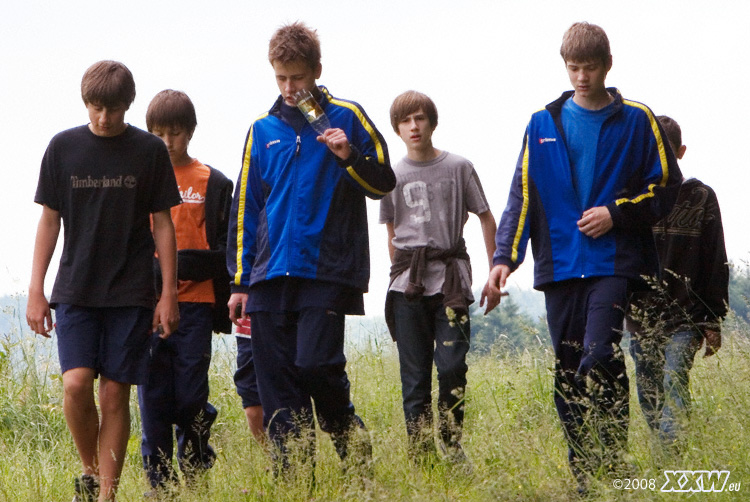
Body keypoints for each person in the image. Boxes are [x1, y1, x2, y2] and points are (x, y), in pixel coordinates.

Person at [484, 22, 681, 489]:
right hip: (560, 266)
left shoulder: (637, 119)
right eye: (573, 68)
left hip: (614, 262)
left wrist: (616, 213)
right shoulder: (541, 123)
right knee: (569, 370)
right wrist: (502, 260)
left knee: (599, 353)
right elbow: (522, 197)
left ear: (606, 66)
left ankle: (614, 457)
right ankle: (586, 473)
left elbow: (667, 187)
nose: (581, 77)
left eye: (589, 68)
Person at [226, 22, 395, 473]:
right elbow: (246, 207)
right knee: (278, 389)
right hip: (267, 277)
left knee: (317, 365)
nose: (288, 87)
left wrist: (348, 156)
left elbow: (383, 183)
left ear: (316, 71)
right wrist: (241, 281)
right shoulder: (261, 130)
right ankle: (296, 483)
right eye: (281, 77)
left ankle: (351, 442)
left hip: (326, 270)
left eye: (297, 77)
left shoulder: (348, 116)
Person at [26, 61, 181, 502]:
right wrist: (37, 289)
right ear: (86, 104)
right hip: (76, 288)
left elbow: (163, 224)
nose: (103, 118)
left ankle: (106, 496)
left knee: (115, 393)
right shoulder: (63, 148)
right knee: (76, 384)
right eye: (95, 108)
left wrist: (168, 294)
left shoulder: (149, 150)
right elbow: (49, 219)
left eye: (112, 109)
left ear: (127, 105)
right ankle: (90, 473)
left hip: (131, 291)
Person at [380, 90, 496, 463]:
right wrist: (397, 276)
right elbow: (391, 231)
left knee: (451, 367)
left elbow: (485, 216)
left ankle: (451, 444)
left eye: (420, 118)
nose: (414, 127)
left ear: (432, 122)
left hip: (451, 283)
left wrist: (494, 271)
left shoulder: (459, 167)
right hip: (407, 286)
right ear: (397, 129)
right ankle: (421, 457)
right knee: (414, 378)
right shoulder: (391, 175)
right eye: (405, 121)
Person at [137, 89, 234, 494]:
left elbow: (226, 250)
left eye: (174, 133)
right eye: (158, 134)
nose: (167, 142)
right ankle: (159, 483)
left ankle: (195, 466)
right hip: (148, 308)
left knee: (192, 394)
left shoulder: (213, 182)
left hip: (196, 305)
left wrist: (186, 264)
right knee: (152, 397)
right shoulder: (139, 180)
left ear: (190, 132)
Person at [626, 115, 728, 448]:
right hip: (641, 318)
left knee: (674, 381)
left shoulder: (701, 197)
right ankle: (666, 457)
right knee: (649, 392)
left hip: (687, 317)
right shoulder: (631, 200)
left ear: (681, 152)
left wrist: (713, 320)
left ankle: (672, 460)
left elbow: (715, 260)